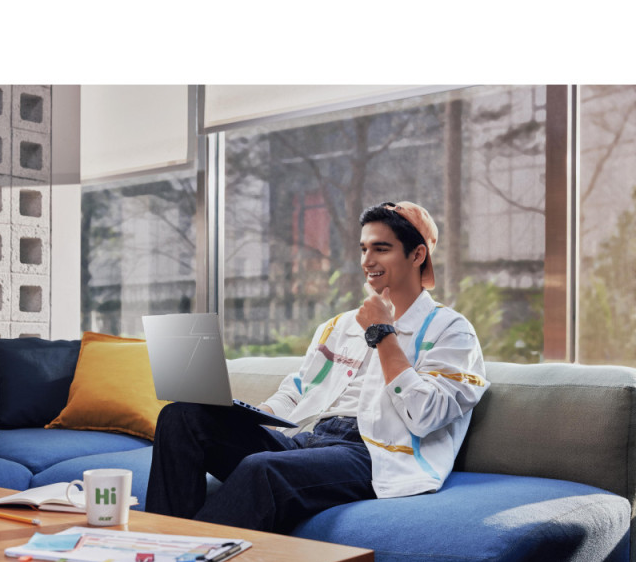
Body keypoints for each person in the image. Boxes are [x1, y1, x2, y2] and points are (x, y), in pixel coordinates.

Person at [145, 201, 489, 533]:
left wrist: (382, 333)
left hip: (373, 454)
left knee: (263, 469)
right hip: (308, 442)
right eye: (363, 249)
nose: (367, 261)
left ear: (417, 255)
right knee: (182, 417)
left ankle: (185, 560)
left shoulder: (451, 330)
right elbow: (298, 391)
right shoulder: (338, 326)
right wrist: (250, 415)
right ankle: (157, 545)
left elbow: (426, 415)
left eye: (381, 249)